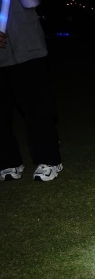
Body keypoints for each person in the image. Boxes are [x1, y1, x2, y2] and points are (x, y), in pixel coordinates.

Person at [0, 0, 62, 182]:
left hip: (28, 48)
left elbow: (31, 2)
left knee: (37, 107)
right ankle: (9, 161)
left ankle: (49, 160)